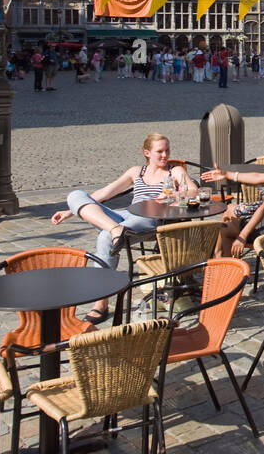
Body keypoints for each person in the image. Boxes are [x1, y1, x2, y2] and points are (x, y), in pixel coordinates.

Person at [52, 133, 194, 323]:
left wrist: (174, 197)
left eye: (167, 150)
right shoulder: (136, 171)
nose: (165, 155)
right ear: (147, 153)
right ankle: (114, 229)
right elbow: (105, 192)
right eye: (159, 151)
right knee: (75, 195)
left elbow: (193, 190)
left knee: (104, 238)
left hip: (148, 219)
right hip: (124, 217)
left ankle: (100, 304)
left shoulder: (174, 171)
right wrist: (70, 211)